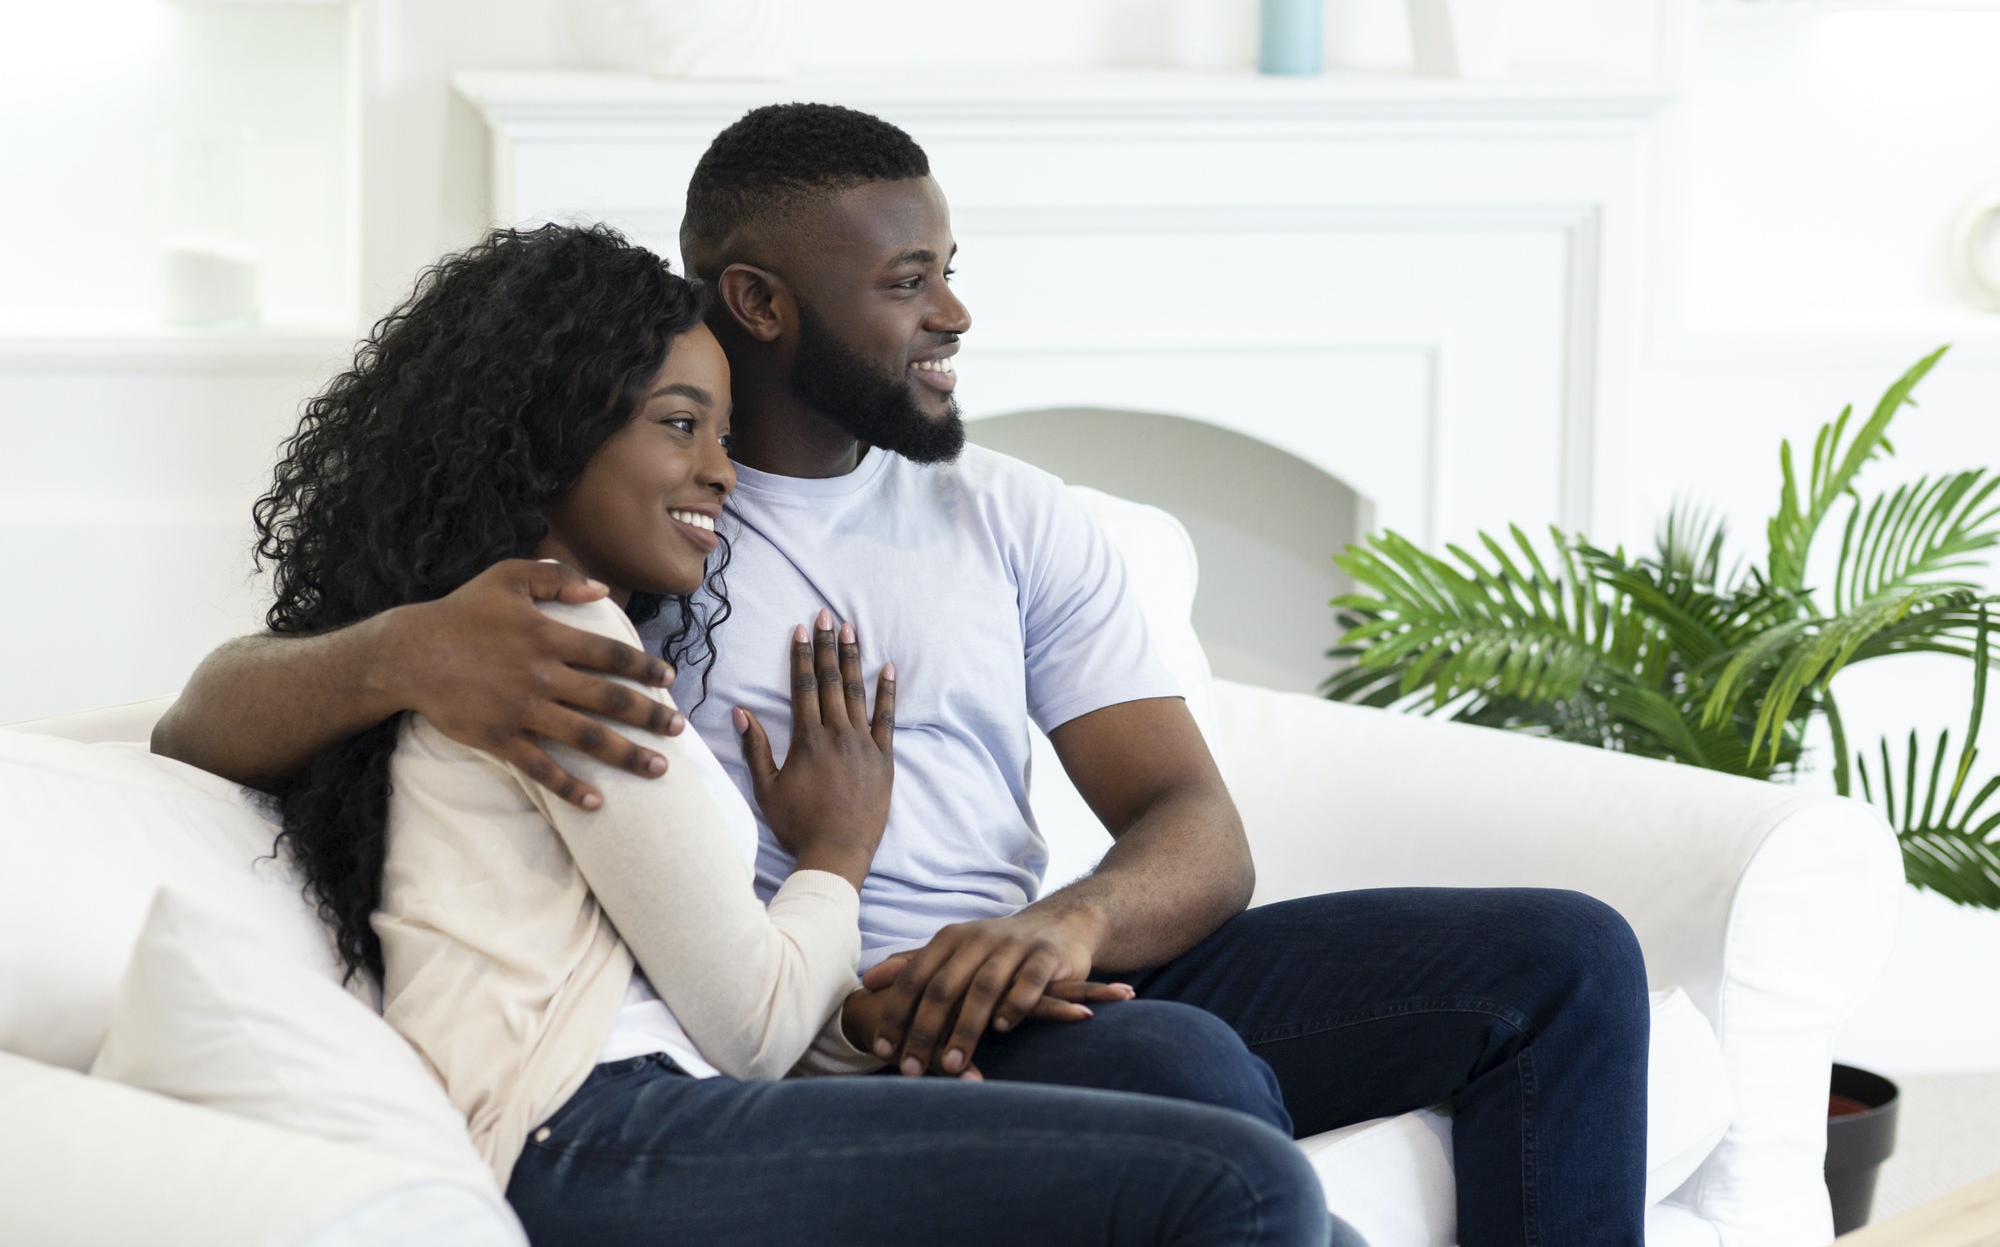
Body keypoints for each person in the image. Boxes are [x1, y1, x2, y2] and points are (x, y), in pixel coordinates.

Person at [156, 105, 1649, 1246]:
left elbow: (1195, 820)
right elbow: (215, 712)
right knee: (1189, 1073)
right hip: (848, 1024)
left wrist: (1063, 925)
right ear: (761, 302)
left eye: (951, 272)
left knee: (1567, 957)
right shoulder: (635, 530)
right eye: (909, 280)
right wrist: (409, 642)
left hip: (1045, 962)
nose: (953, 315)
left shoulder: (1007, 515)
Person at [244, 221, 1346, 1247]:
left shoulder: (551, 630)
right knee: (1241, 1185)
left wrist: (896, 1023)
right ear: (543, 440)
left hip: (651, 1110)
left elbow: (750, 1009)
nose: (721, 470)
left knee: (1286, 1198)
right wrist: (835, 849)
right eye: (680, 426)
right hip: (582, 1137)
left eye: (719, 432)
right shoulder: (555, 649)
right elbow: (754, 1028)